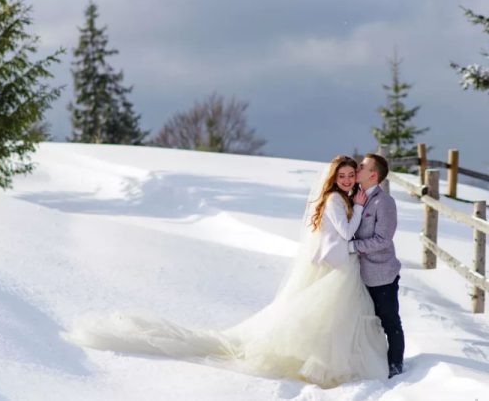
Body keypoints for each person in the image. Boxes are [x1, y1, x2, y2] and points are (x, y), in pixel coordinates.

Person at [63, 155, 389, 388]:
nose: (348, 180)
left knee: (333, 320)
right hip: (338, 269)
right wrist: (359, 206)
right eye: (343, 175)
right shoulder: (336, 200)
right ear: (334, 178)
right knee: (327, 318)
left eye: (351, 175)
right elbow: (346, 234)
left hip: (341, 268)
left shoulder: (341, 199)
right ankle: (322, 365)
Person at [350, 153, 404, 378]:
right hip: (357, 274)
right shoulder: (357, 195)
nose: (357, 167)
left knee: (389, 321)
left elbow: (383, 239)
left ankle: (396, 365)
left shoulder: (385, 202)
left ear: (373, 175)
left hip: (381, 275)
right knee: (363, 322)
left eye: (362, 166)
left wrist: (352, 246)